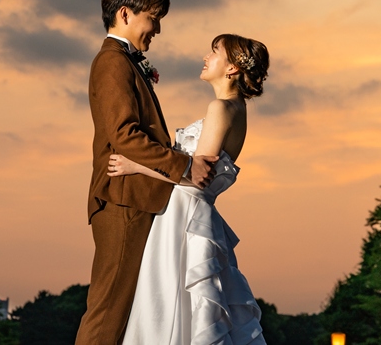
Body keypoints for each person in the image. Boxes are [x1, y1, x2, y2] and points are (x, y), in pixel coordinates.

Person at [75, 0, 218, 345]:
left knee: (122, 315)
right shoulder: (112, 62)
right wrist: (184, 166)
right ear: (125, 13)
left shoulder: (125, 61)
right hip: (123, 199)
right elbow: (124, 135)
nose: (156, 28)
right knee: (108, 313)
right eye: (152, 17)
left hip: (136, 197)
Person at [108, 33, 271, 345]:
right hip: (195, 215)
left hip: (184, 217)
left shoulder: (221, 108)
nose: (206, 57)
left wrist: (135, 166)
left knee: (167, 300)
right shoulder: (236, 109)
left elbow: (197, 176)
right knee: (185, 306)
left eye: (214, 52)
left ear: (232, 68)